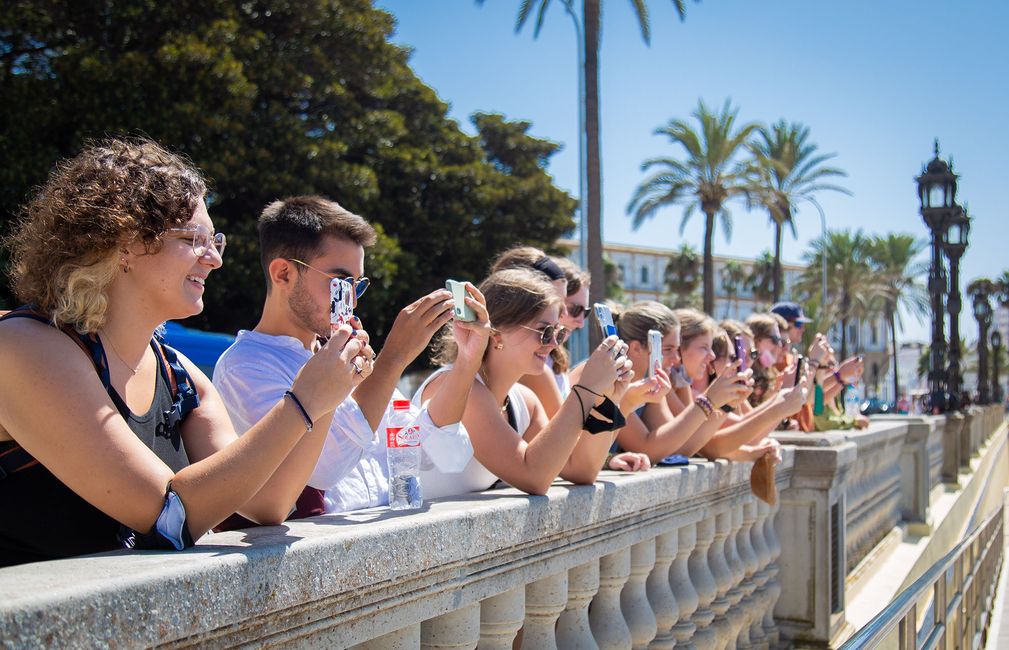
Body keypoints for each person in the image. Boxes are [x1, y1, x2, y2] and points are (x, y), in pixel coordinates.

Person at [0, 139, 370, 566]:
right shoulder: (25, 348)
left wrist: (324, 396)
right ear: (123, 243)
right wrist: (303, 401)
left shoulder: (180, 377)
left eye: (215, 240)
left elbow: (269, 502)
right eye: (193, 239)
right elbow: (168, 516)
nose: (214, 259)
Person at [213, 196, 478, 516]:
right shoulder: (245, 366)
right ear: (283, 274)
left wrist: (468, 358)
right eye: (340, 284)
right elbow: (325, 469)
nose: (351, 300)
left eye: (357, 285)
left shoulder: (349, 356)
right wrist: (393, 359)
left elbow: (433, 452)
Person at [414, 268, 633, 496]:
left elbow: (580, 469)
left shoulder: (524, 400)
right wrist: (586, 389)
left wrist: (608, 396)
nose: (553, 345)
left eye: (557, 333)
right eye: (544, 332)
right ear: (496, 332)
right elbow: (534, 477)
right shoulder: (460, 388)